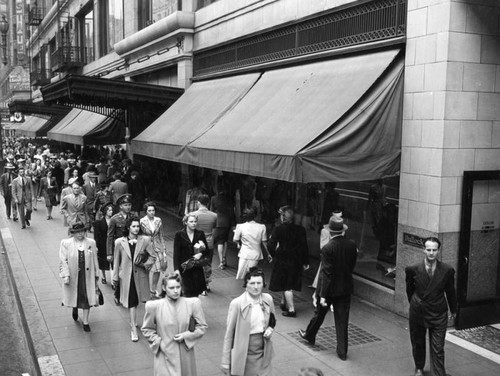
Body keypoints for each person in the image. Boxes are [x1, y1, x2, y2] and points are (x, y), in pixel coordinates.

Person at [298, 216, 358, 361]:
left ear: (330, 232)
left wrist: (322, 294)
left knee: (319, 314)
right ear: (342, 231)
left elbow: (326, 273)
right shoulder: (352, 245)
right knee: (342, 319)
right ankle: (342, 352)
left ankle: (309, 335)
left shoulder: (327, 248)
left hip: (329, 289)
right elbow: (352, 265)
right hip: (345, 287)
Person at [405, 237, 457, 376]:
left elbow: (450, 291)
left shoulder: (447, 270)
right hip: (419, 311)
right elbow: (409, 290)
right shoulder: (413, 269)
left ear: (438, 251)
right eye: (428, 250)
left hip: (438, 313)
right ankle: (419, 367)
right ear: (424, 250)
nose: (431, 253)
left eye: (434, 250)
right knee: (418, 342)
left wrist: (453, 310)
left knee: (438, 347)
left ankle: (439, 373)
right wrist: (416, 303)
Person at [141, 272, 207, 376]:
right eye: (171, 288)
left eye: (178, 287)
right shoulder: (154, 306)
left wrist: (186, 336)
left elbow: (202, 327)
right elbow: (147, 329)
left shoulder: (192, 304)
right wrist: (159, 343)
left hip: (185, 356)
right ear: (164, 288)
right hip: (164, 355)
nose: (176, 291)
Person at [221, 268, 276, 376]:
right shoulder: (237, 303)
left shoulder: (268, 299)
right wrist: (225, 361)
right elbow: (229, 334)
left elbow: (272, 320)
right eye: (252, 283)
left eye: (259, 283)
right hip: (244, 352)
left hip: (263, 351)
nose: (256, 287)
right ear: (246, 285)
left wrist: (270, 329)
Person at [112, 216, 155, 342]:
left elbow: (153, 256)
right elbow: (116, 261)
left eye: (138, 226)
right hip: (126, 276)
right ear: (128, 227)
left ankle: (137, 323)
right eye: (133, 226)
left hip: (140, 276)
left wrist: (144, 264)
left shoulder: (145, 240)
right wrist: (115, 277)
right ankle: (133, 329)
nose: (136, 229)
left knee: (142, 301)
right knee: (132, 301)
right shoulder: (120, 242)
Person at [268, 205, 309, 317]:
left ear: (283, 217)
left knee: (286, 285)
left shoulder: (278, 229)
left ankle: (291, 309)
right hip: (295, 259)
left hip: (282, 258)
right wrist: (305, 261)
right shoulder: (301, 230)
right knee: (289, 282)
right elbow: (304, 246)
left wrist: (274, 254)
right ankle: (283, 302)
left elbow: (270, 244)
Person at [59, 222, 100, 332]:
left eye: (82, 231)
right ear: (73, 233)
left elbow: (95, 258)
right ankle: (75, 308)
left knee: (87, 297)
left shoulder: (91, 242)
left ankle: (86, 321)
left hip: (87, 276)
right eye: (77, 232)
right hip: (73, 275)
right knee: (75, 295)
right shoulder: (66, 243)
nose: (81, 234)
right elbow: (63, 260)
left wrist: (97, 272)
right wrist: (66, 275)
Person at [173, 213, 209, 298]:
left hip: (196, 267)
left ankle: (193, 310)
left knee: (196, 292)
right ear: (186, 222)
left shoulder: (200, 234)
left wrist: (200, 253)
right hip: (184, 267)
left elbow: (207, 250)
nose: (194, 223)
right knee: (187, 292)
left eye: (195, 221)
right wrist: (176, 269)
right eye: (191, 221)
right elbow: (176, 253)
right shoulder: (179, 235)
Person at [107, 193, 133, 305]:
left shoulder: (133, 217)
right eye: (126, 205)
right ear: (121, 206)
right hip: (119, 249)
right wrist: (109, 253)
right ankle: (117, 294)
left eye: (129, 205)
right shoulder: (114, 219)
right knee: (119, 272)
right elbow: (110, 236)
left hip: (131, 247)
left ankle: (128, 294)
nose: (128, 207)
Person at [233, 207, 272, 280]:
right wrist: (269, 253)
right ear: (255, 216)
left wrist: (239, 242)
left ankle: (247, 289)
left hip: (244, 253)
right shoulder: (262, 227)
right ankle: (249, 288)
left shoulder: (240, 226)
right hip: (256, 254)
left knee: (242, 274)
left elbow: (235, 240)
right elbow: (264, 242)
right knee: (252, 273)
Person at [140, 202, 168, 299]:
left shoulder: (158, 220)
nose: (152, 212)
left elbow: (161, 235)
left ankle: (153, 289)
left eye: (153, 210)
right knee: (146, 268)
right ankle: (146, 289)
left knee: (157, 269)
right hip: (146, 247)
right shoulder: (142, 221)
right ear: (146, 212)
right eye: (149, 211)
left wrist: (163, 250)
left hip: (157, 247)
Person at [192, 194, 217, 294]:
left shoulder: (193, 215)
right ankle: (206, 283)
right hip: (209, 242)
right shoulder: (214, 216)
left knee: (197, 263)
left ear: (198, 203)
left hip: (197, 243)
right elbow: (214, 228)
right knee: (207, 263)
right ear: (208, 203)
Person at [211, 183, 235, 269]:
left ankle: (221, 262)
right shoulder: (229, 198)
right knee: (225, 240)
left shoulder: (213, 198)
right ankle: (224, 258)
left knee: (219, 242)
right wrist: (233, 224)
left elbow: (212, 211)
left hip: (218, 222)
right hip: (227, 222)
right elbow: (232, 211)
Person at [94, 201, 114, 284]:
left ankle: (113, 280)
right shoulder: (99, 222)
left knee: (113, 262)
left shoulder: (114, 220)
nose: (111, 212)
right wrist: (96, 246)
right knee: (102, 261)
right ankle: (103, 276)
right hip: (102, 244)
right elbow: (96, 235)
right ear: (105, 212)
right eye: (109, 210)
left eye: (112, 210)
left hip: (112, 244)